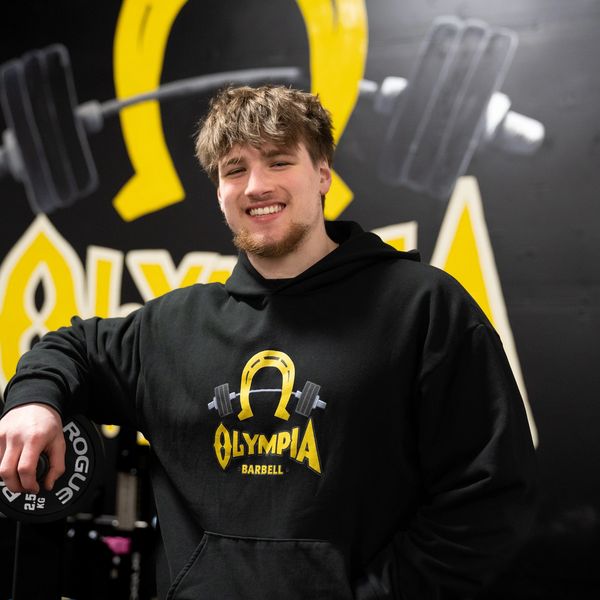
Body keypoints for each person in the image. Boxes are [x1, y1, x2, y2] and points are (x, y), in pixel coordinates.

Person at [0, 85, 536, 599]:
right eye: (235, 169)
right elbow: (70, 347)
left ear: (322, 174)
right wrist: (33, 401)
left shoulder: (423, 307)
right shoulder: (173, 326)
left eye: (278, 161)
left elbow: (487, 496)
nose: (256, 186)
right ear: (219, 193)